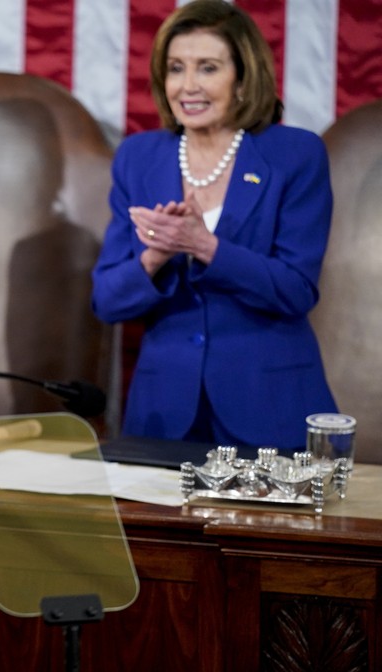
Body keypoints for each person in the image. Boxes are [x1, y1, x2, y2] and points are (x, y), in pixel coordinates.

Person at [91, 0, 337, 451]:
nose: (188, 86)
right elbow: (107, 300)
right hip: (163, 415)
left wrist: (206, 247)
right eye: (175, 68)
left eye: (207, 68)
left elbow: (297, 289)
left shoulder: (294, 155)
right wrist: (155, 255)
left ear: (243, 80)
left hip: (268, 408)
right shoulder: (139, 157)